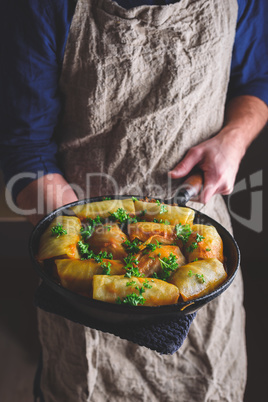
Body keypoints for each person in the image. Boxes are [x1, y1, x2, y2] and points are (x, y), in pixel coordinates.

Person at [1, 0, 267, 401]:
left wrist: (233, 140)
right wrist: (75, 246)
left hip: (199, 232)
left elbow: (257, 81)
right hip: (82, 238)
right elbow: (25, 145)